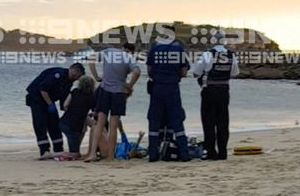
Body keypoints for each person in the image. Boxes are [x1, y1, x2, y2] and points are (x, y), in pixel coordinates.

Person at [84, 42, 141, 162]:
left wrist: (96, 77)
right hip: (119, 93)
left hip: (105, 90)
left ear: (122, 47)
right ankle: (110, 157)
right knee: (113, 126)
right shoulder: (129, 59)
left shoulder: (110, 52)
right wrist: (130, 85)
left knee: (100, 123)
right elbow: (137, 72)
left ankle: (93, 153)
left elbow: (91, 58)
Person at [146, 25, 191, 162]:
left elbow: (149, 70)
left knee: (154, 120)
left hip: (157, 88)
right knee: (177, 120)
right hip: (172, 88)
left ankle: (153, 154)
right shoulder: (178, 50)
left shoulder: (154, 49)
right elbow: (184, 71)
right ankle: (184, 153)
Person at [192, 30, 240, 160]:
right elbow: (235, 73)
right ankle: (223, 152)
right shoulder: (231, 55)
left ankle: (211, 152)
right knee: (223, 122)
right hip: (224, 90)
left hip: (209, 90)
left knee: (208, 122)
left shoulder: (208, 54)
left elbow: (196, 72)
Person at [26, 63, 85, 160]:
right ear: (74, 71)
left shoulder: (69, 82)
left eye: (78, 78)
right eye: (77, 76)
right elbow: (43, 89)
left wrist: (70, 111)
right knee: (40, 123)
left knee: (54, 124)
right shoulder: (58, 74)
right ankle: (44, 151)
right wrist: (50, 104)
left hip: (49, 101)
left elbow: (64, 100)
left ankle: (58, 149)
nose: (77, 79)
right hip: (37, 98)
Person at [59, 75, 97, 159]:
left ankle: (74, 150)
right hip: (73, 128)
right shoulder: (92, 97)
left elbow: (65, 105)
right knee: (75, 154)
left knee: (82, 129)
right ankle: (54, 155)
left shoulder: (75, 91)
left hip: (63, 122)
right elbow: (95, 112)